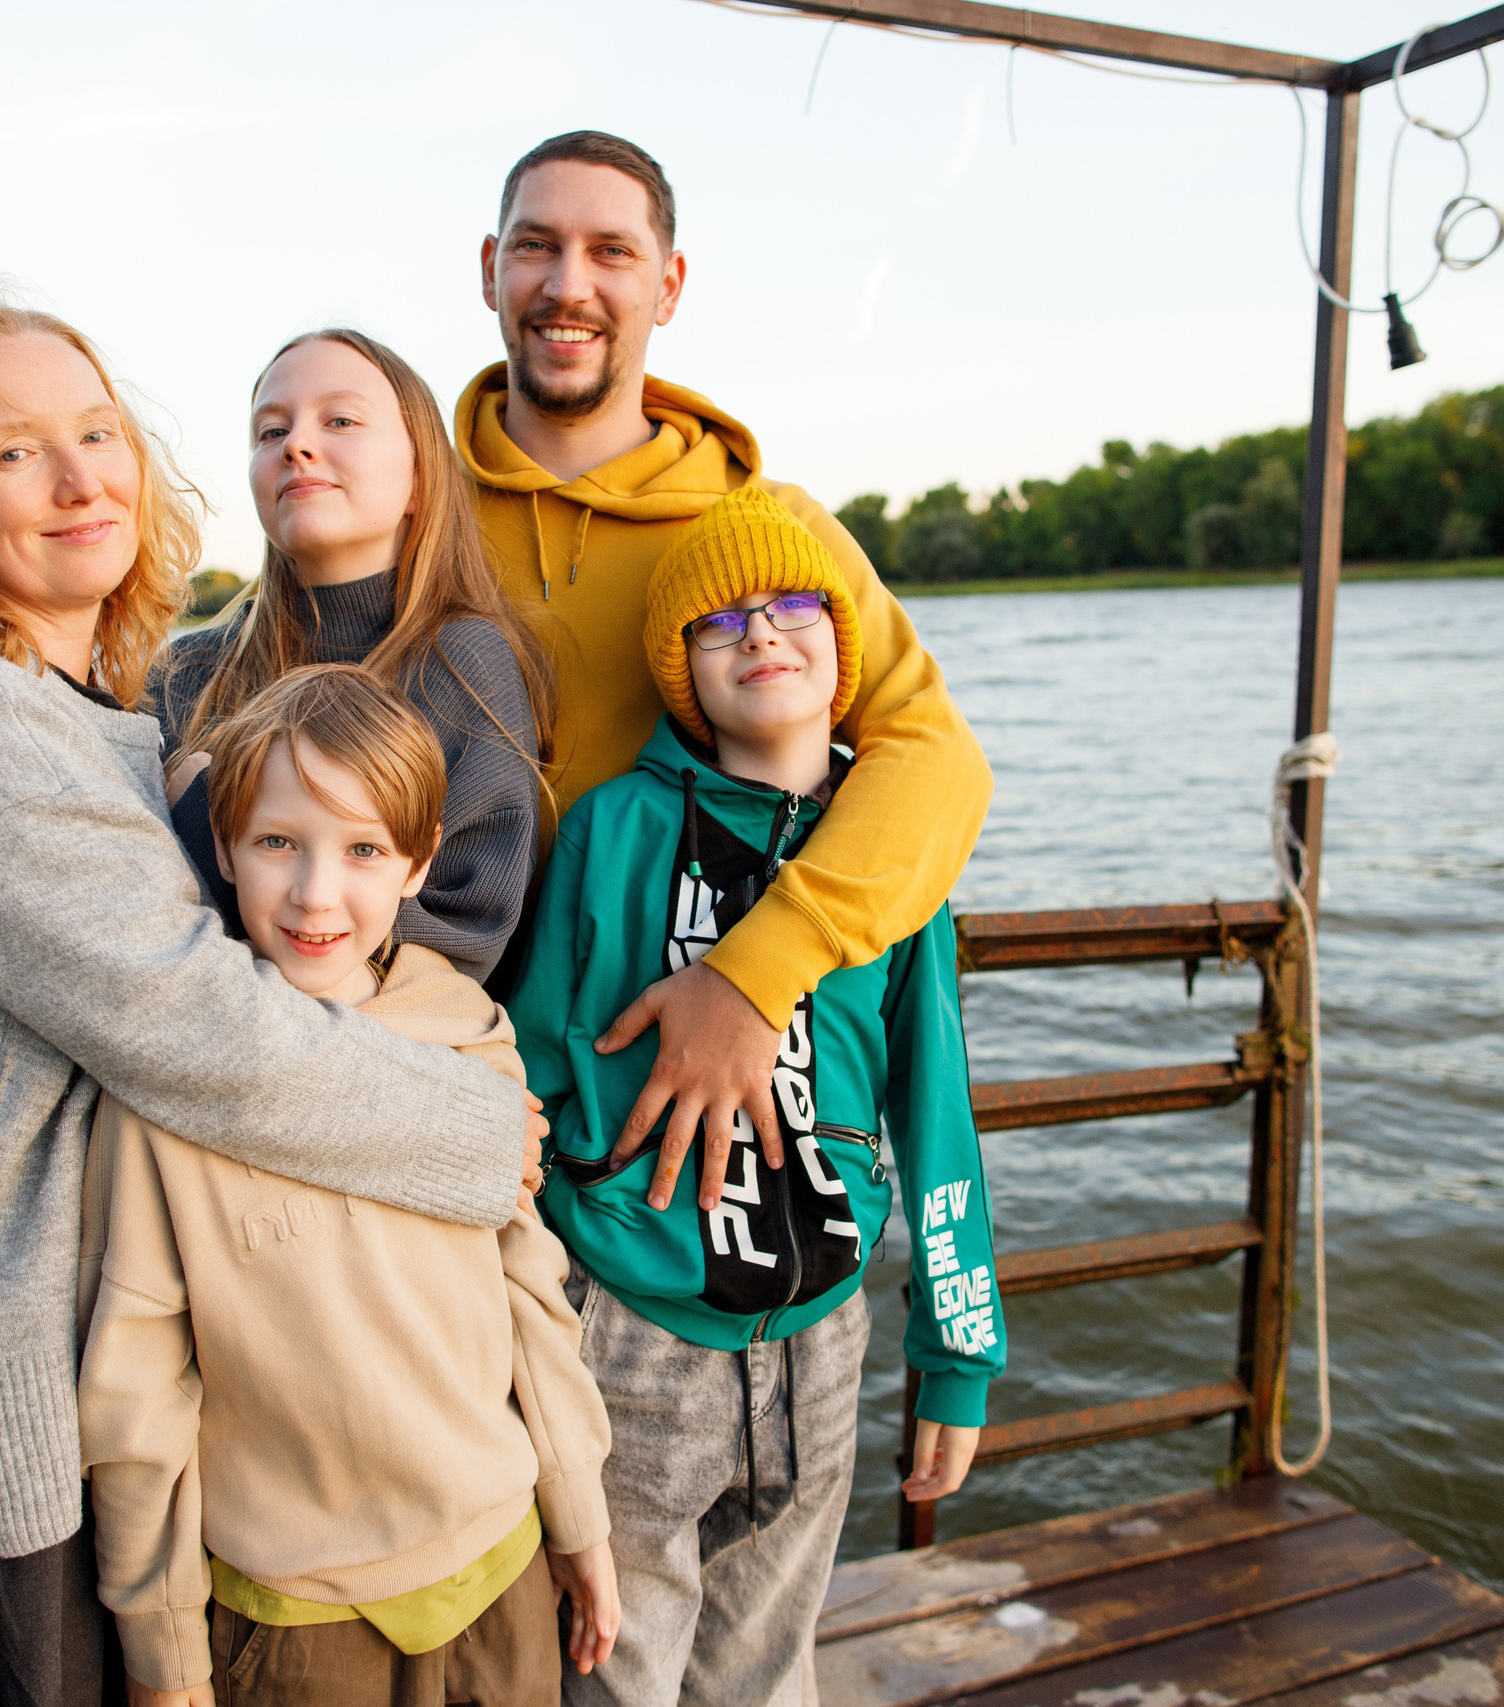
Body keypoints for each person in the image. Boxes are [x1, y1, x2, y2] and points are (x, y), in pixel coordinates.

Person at [0, 293, 537, 1707]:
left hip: (25, 1340)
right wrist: (478, 1127)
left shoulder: (98, 707)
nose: (80, 479)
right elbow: (194, 1022)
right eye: (13, 452)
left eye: (97, 433)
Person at [510, 487, 1003, 1707]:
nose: (761, 632)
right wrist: (552, 1270)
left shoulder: (887, 860)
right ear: (678, 668)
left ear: (845, 642)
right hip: (630, 1334)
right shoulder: (611, 830)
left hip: (822, 1338)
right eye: (719, 621)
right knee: (610, 1671)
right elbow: (523, 1065)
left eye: (793, 606)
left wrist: (958, 1350)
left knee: (768, 1674)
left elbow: (936, 1113)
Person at [459, 131, 995, 1206]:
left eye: (611, 252)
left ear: (669, 286)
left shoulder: (764, 534)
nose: (568, 285)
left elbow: (936, 759)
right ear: (490, 268)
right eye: (537, 246)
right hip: (457, 1091)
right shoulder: (408, 504)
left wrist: (757, 974)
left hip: (683, 1107)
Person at [80, 665, 621, 1707]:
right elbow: (136, 1389)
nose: (316, 894)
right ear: (224, 848)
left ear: (420, 862)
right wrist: (162, 1651)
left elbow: (529, 1297)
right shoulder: (167, 1090)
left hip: (501, 1565)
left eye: (364, 849)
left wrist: (578, 1516)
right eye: (278, 842)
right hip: (294, 1616)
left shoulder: (465, 1033)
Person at [158, 329, 554, 981]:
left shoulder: (462, 665)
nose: (296, 444)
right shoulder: (187, 672)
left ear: (419, 479)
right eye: (270, 431)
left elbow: (465, 937)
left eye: (339, 420)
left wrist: (199, 822)